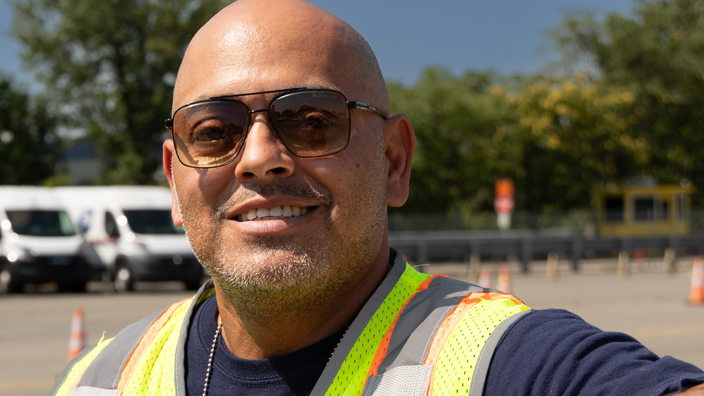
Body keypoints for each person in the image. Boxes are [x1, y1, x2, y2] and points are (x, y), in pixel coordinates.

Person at [49, 1, 704, 395]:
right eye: (213, 132)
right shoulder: (99, 380)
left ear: (394, 161)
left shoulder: (504, 362)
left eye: (311, 121)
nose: (258, 158)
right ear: (174, 175)